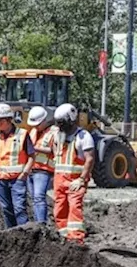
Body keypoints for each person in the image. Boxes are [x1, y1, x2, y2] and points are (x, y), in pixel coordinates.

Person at [50, 103, 96, 244]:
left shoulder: (83, 137)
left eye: (62, 123)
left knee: (74, 209)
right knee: (59, 210)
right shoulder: (58, 135)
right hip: (60, 181)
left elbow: (90, 159)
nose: (60, 126)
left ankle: (76, 240)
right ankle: (63, 237)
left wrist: (82, 179)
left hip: (75, 181)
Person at [26, 106, 56, 226]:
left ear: (44, 120)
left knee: (39, 197)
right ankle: (38, 223)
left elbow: (53, 150)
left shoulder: (53, 132)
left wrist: (34, 148)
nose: (35, 126)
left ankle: (41, 224)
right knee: (34, 199)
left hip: (43, 170)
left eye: (38, 124)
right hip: (31, 168)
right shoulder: (33, 131)